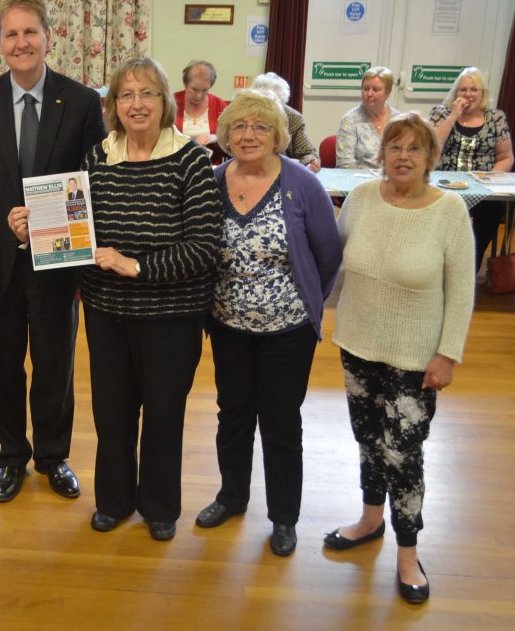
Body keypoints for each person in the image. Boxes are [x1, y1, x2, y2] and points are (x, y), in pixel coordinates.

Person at [11, 56, 221, 540]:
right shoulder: (98, 157)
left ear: (165, 102)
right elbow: (75, 235)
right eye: (126, 95)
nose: (136, 104)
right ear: (113, 105)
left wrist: (137, 264)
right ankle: (114, 501)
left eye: (147, 93)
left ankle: (160, 507)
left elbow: (204, 248)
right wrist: (33, 233)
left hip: (171, 316)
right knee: (112, 412)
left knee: (165, 414)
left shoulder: (190, 159)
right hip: (107, 313)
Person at [0, 0, 106, 503]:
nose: (21, 43)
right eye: (11, 34)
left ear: (48, 37)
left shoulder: (82, 102)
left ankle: (53, 456)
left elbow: (93, 182)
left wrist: (38, 222)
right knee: (0, 365)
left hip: (58, 262)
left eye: (30, 32)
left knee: (54, 364)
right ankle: (11, 457)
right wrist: (7, 224)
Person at [326, 112, 474, 604]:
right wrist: (313, 316)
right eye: (395, 147)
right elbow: (337, 264)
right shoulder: (362, 199)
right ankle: (370, 519)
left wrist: (448, 354)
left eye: (414, 148)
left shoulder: (450, 210)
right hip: (358, 342)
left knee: (402, 453)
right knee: (367, 440)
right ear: (382, 154)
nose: (403, 156)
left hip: (416, 356)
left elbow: (461, 293)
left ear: (431, 157)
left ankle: (408, 550)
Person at [195, 90, 341, 556]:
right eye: (239, 126)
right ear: (225, 134)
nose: (249, 135)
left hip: (288, 332)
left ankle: (283, 517)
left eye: (260, 127)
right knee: (232, 416)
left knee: (280, 422)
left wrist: (301, 302)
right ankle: (231, 497)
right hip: (228, 326)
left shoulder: (302, 183)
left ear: (277, 134)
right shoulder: (213, 181)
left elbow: (328, 254)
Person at [427, 67, 513, 273]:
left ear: (482, 94)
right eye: (462, 89)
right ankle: (438, 268)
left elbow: (506, 157)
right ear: (455, 93)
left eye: (474, 89)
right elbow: (431, 147)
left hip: (483, 188)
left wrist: (488, 179)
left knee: (491, 213)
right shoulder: (440, 113)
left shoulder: (495, 118)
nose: (468, 94)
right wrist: (453, 116)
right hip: (443, 187)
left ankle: (469, 268)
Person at [251, 72, 321, 172]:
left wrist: (310, 163)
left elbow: (306, 152)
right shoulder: (246, 116)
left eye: (276, 103)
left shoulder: (293, 117)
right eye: (263, 102)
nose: (269, 108)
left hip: (284, 174)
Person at [335, 66, 400, 169]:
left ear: (387, 92)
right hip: (359, 181)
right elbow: (345, 164)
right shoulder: (350, 120)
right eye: (365, 89)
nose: (369, 94)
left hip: (394, 181)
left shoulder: (399, 120)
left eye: (376, 90)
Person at [174, 60, 228, 164]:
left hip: (210, 165)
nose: (199, 95)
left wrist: (216, 138)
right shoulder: (172, 102)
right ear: (185, 84)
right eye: (194, 89)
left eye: (205, 90)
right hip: (177, 164)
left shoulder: (219, 105)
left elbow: (230, 140)